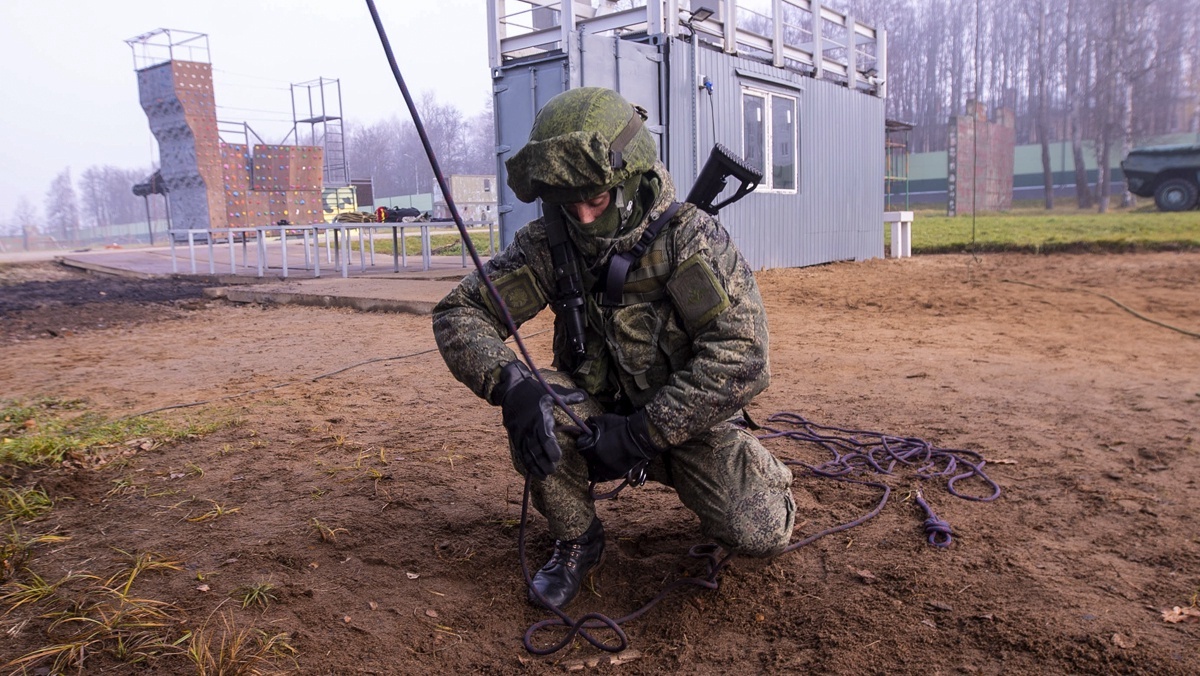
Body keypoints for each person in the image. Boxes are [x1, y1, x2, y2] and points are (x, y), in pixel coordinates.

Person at [432, 87, 794, 610]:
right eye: (567, 202)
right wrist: (510, 384)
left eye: (596, 200)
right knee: (541, 401)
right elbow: (459, 312)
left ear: (630, 182)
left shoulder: (688, 240)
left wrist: (644, 432)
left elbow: (743, 355)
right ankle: (578, 539)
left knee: (760, 530)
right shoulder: (550, 244)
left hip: (684, 424)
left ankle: (762, 474)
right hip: (593, 418)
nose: (581, 217)